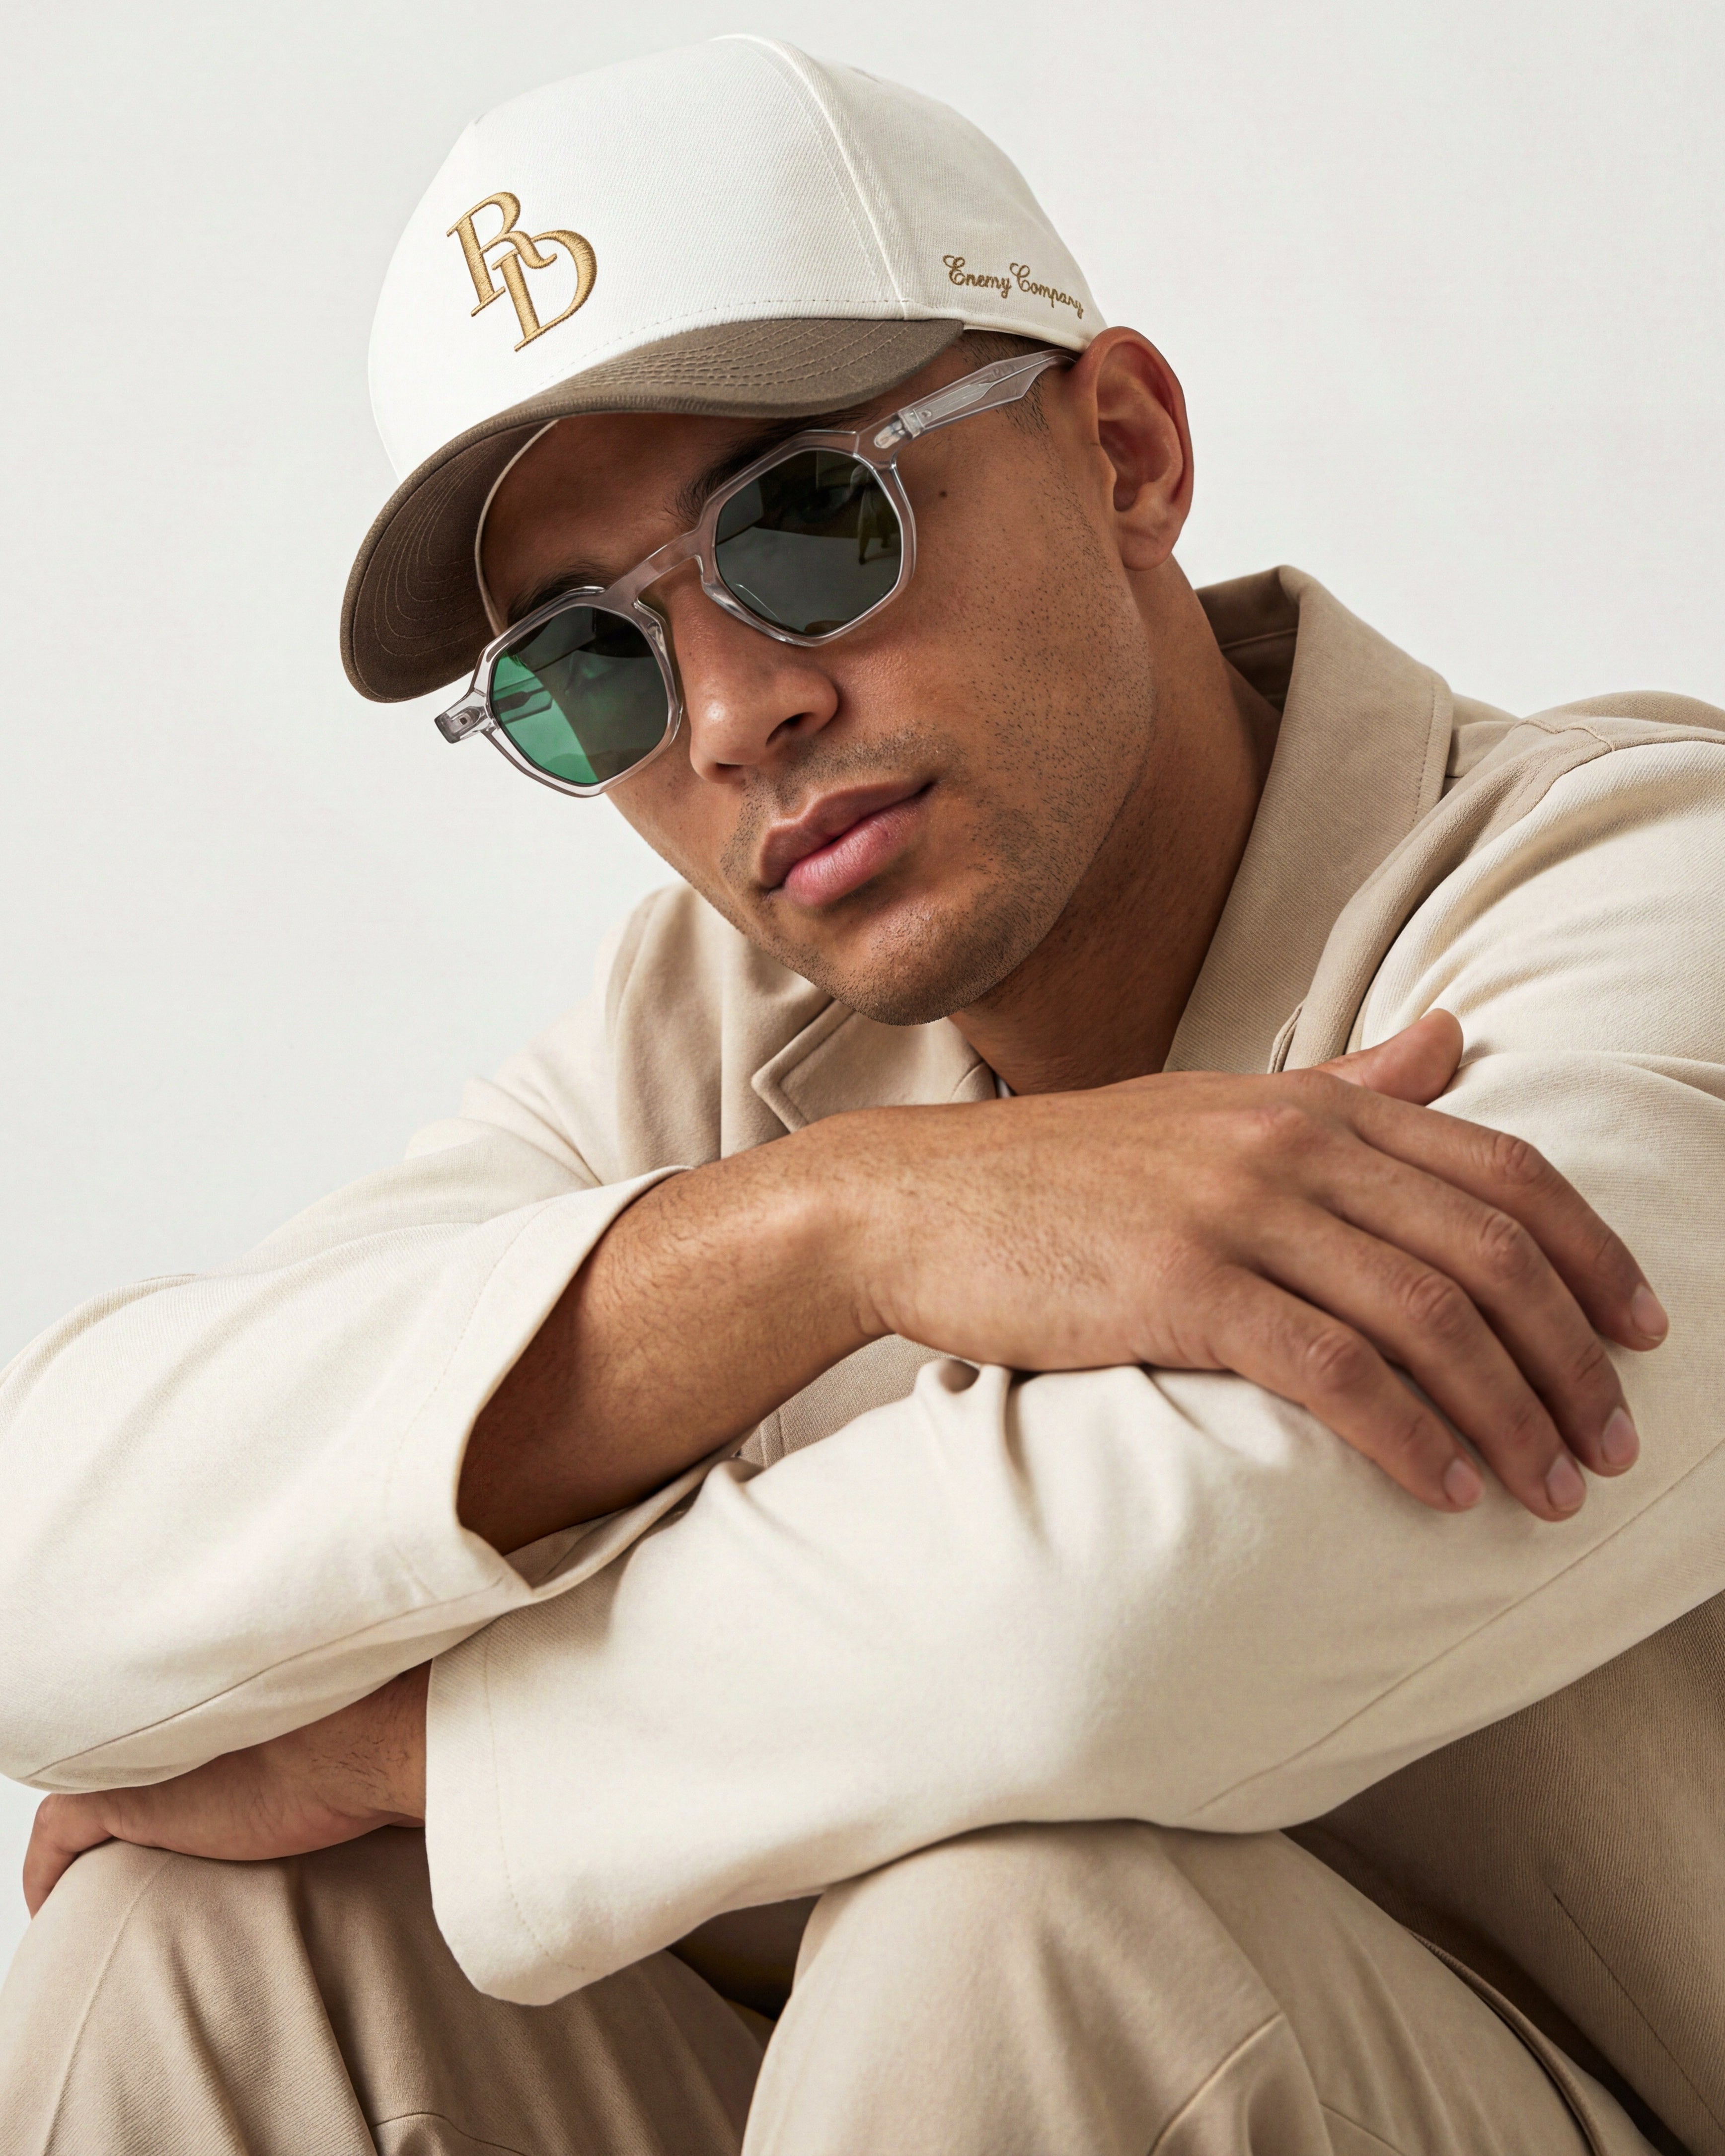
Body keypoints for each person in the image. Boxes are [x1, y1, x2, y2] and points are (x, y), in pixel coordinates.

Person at [2, 34, 1723, 2156]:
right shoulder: (710, 1047)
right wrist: (854, 1220)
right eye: (588, 664)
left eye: (808, 524)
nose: (731, 714)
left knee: (1018, 1936)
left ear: (1124, 452)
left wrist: (409, 1745)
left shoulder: (1642, 900)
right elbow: (47, 1562)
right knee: (197, 1944)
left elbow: (1126, 1626)